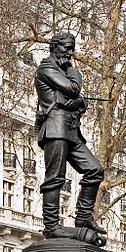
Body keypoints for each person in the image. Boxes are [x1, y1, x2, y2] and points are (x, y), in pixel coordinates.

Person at [34, 31, 106, 239]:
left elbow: (76, 102)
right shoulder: (46, 68)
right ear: (55, 46)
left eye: (72, 48)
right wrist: (74, 82)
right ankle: (51, 226)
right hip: (55, 130)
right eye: (67, 48)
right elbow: (73, 89)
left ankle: (83, 217)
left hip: (71, 131)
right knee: (54, 178)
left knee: (94, 170)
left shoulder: (61, 69)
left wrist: (75, 101)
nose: (71, 53)